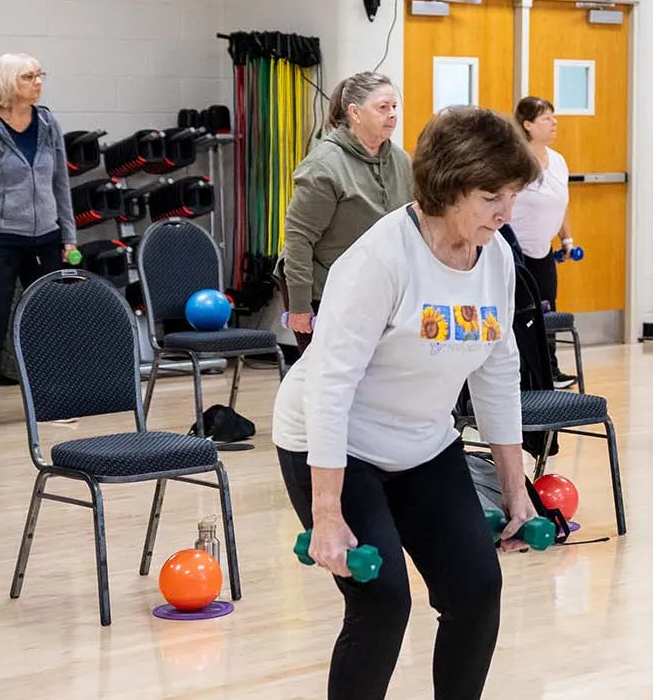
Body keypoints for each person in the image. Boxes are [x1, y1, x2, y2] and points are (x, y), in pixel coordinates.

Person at [271, 106, 541, 699]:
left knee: (475, 589)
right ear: (448, 186)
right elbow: (331, 388)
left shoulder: (493, 253)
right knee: (384, 600)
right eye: (492, 195)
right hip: (335, 440)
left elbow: (498, 368)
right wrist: (327, 514)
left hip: (423, 442)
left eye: (513, 195)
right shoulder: (378, 261)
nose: (507, 212)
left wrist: (516, 491)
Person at [0, 53, 75, 432]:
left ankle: (51, 399)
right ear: (10, 82)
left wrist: (68, 234)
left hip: (45, 237)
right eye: (29, 76)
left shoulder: (47, 122)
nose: (38, 82)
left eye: (40, 74)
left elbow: (61, 184)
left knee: (48, 321)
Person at [280, 72, 412, 357]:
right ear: (355, 113)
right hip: (321, 289)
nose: (392, 114)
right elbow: (298, 239)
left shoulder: (400, 160)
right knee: (328, 379)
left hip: (375, 289)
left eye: (394, 107)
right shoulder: (324, 166)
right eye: (382, 107)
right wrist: (300, 306)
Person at [506, 96, 577, 388]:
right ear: (528, 125)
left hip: (544, 251)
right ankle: (522, 373)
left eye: (553, 116)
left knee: (548, 308)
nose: (554, 122)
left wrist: (567, 237)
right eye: (546, 118)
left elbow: (560, 203)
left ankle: (551, 371)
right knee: (521, 313)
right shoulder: (516, 162)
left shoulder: (558, 161)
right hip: (515, 252)